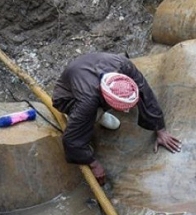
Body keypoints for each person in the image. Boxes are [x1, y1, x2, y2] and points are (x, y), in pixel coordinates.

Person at [52, 52, 182, 185]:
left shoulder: (124, 65)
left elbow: (145, 93)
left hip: (90, 70)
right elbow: (71, 140)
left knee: (94, 107)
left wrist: (160, 129)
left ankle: (98, 113)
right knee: (85, 116)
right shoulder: (88, 100)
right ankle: (95, 115)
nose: (125, 111)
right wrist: (93, 163)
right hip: (67, 95)